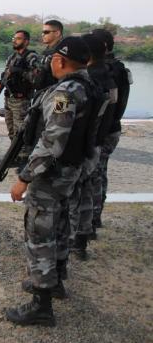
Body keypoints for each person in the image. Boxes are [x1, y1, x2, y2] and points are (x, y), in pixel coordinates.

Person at [6, 37, 94, 327]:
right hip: (71, 171)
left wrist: (24, 177)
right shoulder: (88, 86)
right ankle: (55, 281)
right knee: (59, 226)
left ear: (60, 61)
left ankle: (41, 305)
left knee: (40, 233)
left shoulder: (66, 92)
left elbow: (52, 140)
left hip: (52, 174)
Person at [67, 33, 116, 260]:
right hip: (98, 140)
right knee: (90, 189)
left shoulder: (86, 81)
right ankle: (85, 236)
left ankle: (75, 239)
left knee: (78, 193)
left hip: (87, 143)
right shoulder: (110, 75)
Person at [89, 28, 132, 234]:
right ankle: (94, 218)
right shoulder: (118, 69)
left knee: (94, 175)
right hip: (111, 129)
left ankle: (90, 221)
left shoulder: (106, 71)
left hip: (103, 131)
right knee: (100, 173)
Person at [0, 30, 38, 166]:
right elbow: (6, 73)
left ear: (26, 41)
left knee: (21, 130)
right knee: (11, 130)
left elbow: (36, 77)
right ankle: (16, 156)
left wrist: (20, 72)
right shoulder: (12, 57)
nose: (15, 40)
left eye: (18, 39)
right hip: (9, 97)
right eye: (14, 38)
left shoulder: (32, 57)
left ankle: (24, 158)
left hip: (21, 99)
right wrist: (0, 82)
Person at [32, 20, 64, 92]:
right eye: (42, 32)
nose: (42, 35)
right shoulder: (47, 51)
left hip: (55, 94)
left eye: (46, 32)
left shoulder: (63, 52)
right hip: (42, 94)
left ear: (57, 33)